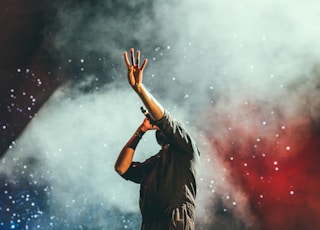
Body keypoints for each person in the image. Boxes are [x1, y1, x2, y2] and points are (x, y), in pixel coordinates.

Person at [114, 48, 200, 230]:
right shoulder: (154, 163)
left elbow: (165, 119)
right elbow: (122, 168)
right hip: (150, 223)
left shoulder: (186, 147)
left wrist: (140, 89)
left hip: (174, 221)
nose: (159, 126)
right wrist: (141, 130)